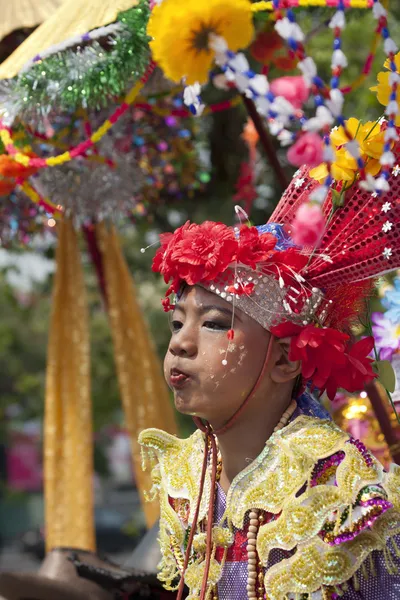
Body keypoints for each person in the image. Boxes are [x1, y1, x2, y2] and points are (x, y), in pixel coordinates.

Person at [138, 161, 400, 600]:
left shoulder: (345, 496)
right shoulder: (186, 476)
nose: (181, 343)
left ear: (284, 359)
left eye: (215, 324)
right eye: (176, 323)